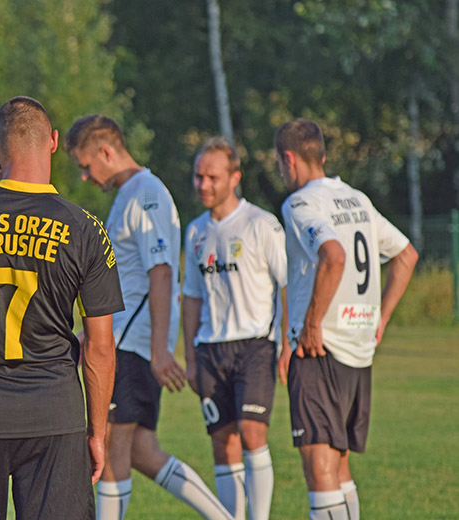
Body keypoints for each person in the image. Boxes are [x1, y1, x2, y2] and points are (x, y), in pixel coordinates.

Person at [0, 96, 122, 520]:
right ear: (51, 142)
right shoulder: (85, 227)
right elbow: (100, 348)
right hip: (56, 417)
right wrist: (97, 434)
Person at [66, 115, 233, 520]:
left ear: (107, 151)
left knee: (108, 451)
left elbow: (161, 273)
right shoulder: (131, 193)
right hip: (126, 344)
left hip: (129, 347)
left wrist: (159, 351)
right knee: (142, 451)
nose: (86, 176)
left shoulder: (146, 193)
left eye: (86, 165)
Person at [275, 118, 418, 520]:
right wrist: (382, 317)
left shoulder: (301, 203)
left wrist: (312, 324)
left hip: (322, 348)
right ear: (321, 154)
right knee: (338, 467)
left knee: (318, 466)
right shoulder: (357, 199)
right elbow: (407, 256)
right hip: (358, 346)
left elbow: (334, 255)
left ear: (289, 160)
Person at [182, 137, 287, 520]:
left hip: (255, 345)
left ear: (234, 178)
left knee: (251, 432)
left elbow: (288, 283)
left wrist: (287, 343)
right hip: (211, 348)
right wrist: (190, 358)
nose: (204, 184)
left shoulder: (261, 224)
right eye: (198, 176)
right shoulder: (194, 231)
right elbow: (191, 296)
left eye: (212, 177)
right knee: (221, 441)